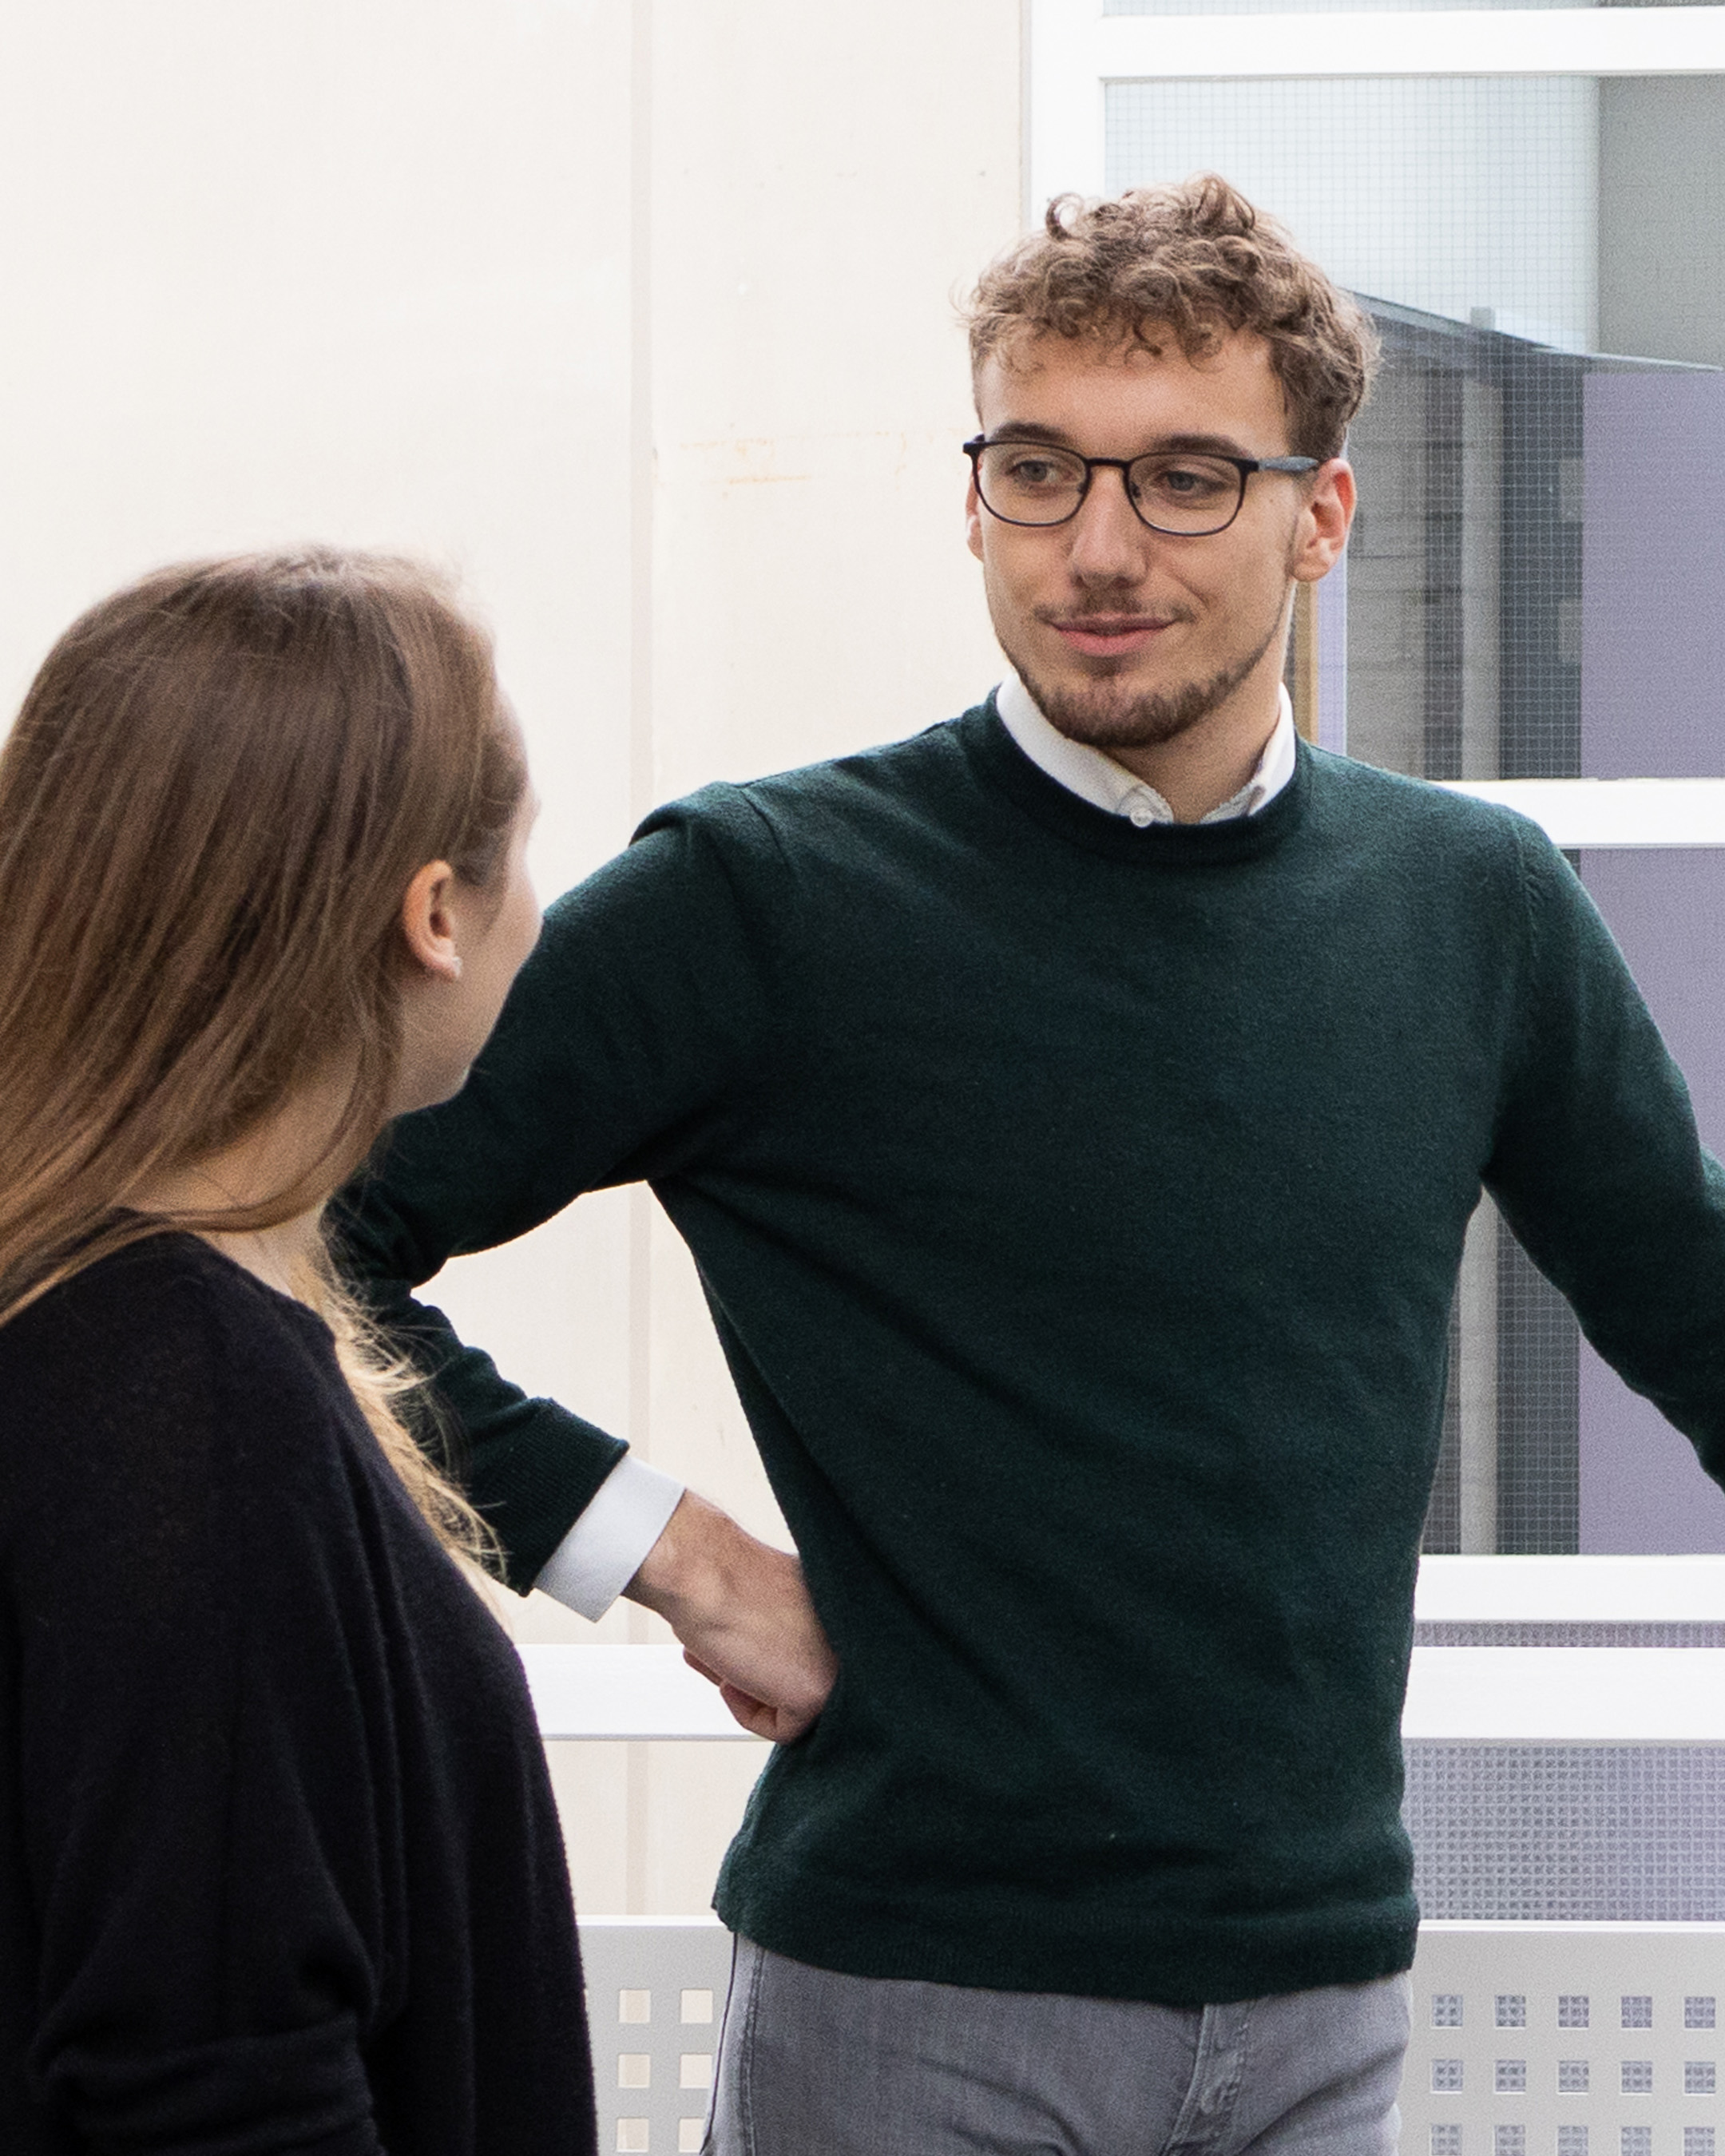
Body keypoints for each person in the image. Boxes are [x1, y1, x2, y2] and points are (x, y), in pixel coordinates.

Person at [338, 179, 1725, 2154]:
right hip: (908, 2007)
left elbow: (1697, 1309)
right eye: (1038, 469)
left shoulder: (1475, 905)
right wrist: (668, 1553)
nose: (1096, 547)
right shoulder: (768, 898)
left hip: (1324, 2010)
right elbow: (301, 1238)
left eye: (1181, 480)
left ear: (1319, 517)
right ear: (971, 488)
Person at [0, 550, 596, 2155]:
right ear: (432, 917)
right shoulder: (181, 1403)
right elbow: (214, 2092)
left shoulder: (99, 1324)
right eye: (521, 861)